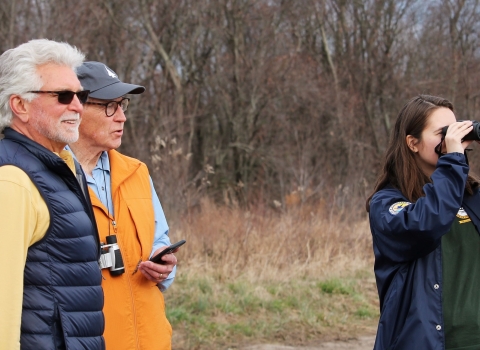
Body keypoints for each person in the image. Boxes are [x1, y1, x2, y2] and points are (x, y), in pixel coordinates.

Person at [0, 40, 105, 349]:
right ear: (20, 105)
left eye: (80, 95)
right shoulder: (13, 179)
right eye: (63, 96)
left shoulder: (59, 166)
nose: (78, 106)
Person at [68, 61, 177, 350]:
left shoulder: (137, 172)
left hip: (151, 339)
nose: (121, 118)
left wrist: (163, 265)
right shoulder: (51, 178)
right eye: (109, 106)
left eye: (123, 105)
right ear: (77, 109)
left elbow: (160, 240)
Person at [366, 94, 480, 349]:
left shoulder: (472, 198)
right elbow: (426, 224)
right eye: (443, 133)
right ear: (412, 143)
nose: (453, 140)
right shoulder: (387, 204)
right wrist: (453, 163)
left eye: (456, 130)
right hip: (425, 342)